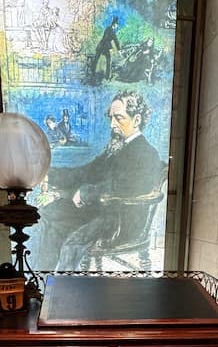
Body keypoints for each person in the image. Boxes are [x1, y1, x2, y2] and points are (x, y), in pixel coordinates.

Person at [36, 91, 162, 271]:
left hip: (123, 221)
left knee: (74, 243)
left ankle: (65, 293)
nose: (112, 124)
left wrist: (88, 192)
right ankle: (39, 283)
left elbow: (127, 186)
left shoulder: (147, 153)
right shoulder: (116, 148)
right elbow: (86, 172)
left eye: (119, 118)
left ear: (136, 119)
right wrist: (49, 174)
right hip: (102, 211)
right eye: (111, 118)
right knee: (50, 212)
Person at [92, 16, 120, 80]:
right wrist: (115, 49)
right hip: (104, 47)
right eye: (116, 25)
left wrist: (117, 48)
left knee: (98, 59)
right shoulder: (111, 31)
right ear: (114, 24)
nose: (117, 27)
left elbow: (113, 40)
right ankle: (106, 76)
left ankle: (95, 73)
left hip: (102, 46)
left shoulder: (109, 30)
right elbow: (111, 39)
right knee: (106, 60)